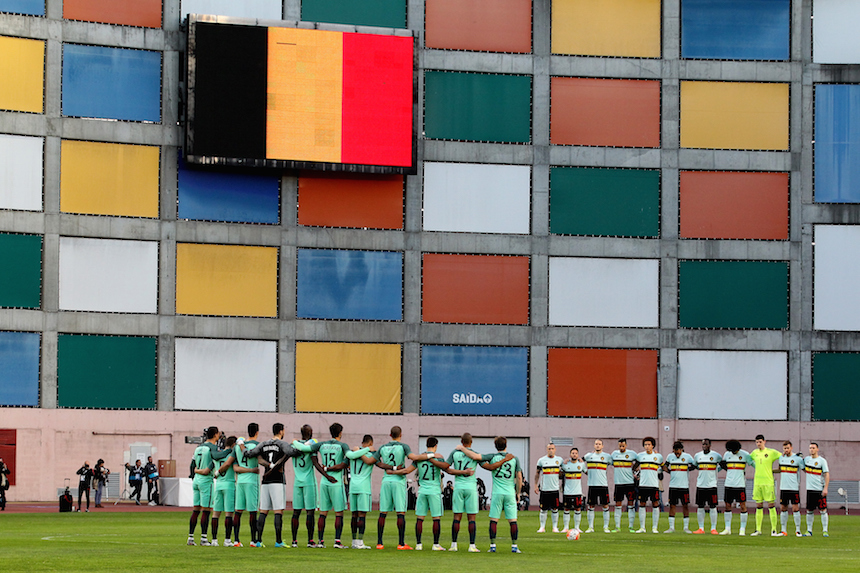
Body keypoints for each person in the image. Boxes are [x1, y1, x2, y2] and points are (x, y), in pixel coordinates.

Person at [388, 436, 471, 551]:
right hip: (434, 491)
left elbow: (407, 470)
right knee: (436, 518)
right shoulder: (439, 458)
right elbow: (449, 470)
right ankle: (435, 544)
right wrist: (464, 472)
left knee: (420, 518)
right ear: (436, 446)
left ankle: (418, 544)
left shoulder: (420, 458)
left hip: (422, 491)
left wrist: (393, 472)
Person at [375, 426, 438, 550]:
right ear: (401, 435)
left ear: (390, 435)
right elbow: (413, 457)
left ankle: (379, 543)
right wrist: (429, 455)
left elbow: (374, 461)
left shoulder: (383, 447)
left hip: (386, 480)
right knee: (400, 512)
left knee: (383, 513)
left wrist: (389, 468)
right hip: (398, 481)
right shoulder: (403, 446)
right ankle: (401, 543)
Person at [446, 432, 512, 552]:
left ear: (461, 441)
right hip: (471, 487)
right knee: (471, 518)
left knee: (457, 517)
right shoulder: (475, 454)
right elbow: (489, 467)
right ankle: (472, 546)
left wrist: (460, 472)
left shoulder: (454, 453)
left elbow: (447, 469)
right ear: (471, 442)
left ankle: (454, 545)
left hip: (458, 487)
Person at [243, 423, 303, 547]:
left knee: (263, 511)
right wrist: (300, 445)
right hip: (278, 480)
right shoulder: (281, 444)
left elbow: (249, 453)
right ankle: (278, 541)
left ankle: (258, 541)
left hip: (265, 481)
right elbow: (293, 452)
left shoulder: (263, 444)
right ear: (281, 431)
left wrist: (241, 446)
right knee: (278, 511)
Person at [291, 423, 350, 549]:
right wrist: (331, 469)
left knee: (323, 513)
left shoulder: (321, 445)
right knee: (339, 513)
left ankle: (320, 541)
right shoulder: (343, 445)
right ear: (340, 433)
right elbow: (345, 463)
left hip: (324, 482)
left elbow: (306, 450)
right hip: (336, 482)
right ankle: (337, 541)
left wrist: (294, 442)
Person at [485, 436, 523, 553]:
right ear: (506, 445)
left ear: (495, 446)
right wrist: (518, 492)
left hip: (497, 492)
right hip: (509, 492)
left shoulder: (492, 457)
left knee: (494, 520)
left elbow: (480, 459)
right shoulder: (514, 458)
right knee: (512, 520)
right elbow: (519, 477)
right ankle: (514, 547)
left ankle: (492, 546)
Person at [290, 425, 324, 547]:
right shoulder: (312, 445)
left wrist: (293, 441)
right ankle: (310, 540)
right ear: (311, 433)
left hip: (297, 481)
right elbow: (315, 462)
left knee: (296, 512)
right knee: (310, 512)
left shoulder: (294, 445)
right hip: (309, 482)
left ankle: (294, 540)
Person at [188, 426, 221, 546]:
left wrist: (193, 475)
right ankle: (203, 538)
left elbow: (192, 465)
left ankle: (190, 537)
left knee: (196, 509)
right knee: (206, 510)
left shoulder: (198, 447)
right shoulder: (212, 447)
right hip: (206, 481)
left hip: (196, 480)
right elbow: (214, 461)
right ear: (216, 434)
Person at [346, 435, 380, 549]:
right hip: (363, 487)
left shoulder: (353, 453)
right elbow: (372, 461)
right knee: (362, 515)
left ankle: (354, 541)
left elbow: (350, 455)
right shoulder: (370, 454)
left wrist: (359, 450)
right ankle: (360, 542)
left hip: (353, 486)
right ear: (371, 443)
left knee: (354, 515)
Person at [232, 423, 260, 547]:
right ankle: (253, 540)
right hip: (251, 481)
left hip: (240, 481)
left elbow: (234, 466)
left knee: (238, 511)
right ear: (257, 432)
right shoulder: (257, 445)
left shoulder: (238, 446)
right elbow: (260, 460)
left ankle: (236, 540)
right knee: (252, 511)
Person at [749, 434, 782, 536]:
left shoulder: (771, 452)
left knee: (771, 506)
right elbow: (748, 460)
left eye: (760, 442)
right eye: (757, 442)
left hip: (768, 482)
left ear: (764, 441)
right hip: (758, 482)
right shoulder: (754, 453)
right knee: (759, 506)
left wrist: (778, 469)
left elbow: (782, 456)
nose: (759, 444)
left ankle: (773, 530)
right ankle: (758, 529)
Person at [719, 439, 753, 536]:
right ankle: (727, 528)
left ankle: (742, 529)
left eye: (735, 450)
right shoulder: (727, 454)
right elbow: (722, 467)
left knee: (742, 506)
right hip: (728, 484)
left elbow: (753, 464)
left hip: (740, 485)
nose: (733, 452)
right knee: (727, 506)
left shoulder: (745, 455)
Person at [210, 436, 238, 546]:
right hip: (229, 484)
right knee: (229, 513)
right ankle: (227, 540)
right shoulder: (232, 455)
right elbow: (228, 464)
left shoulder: (218, 455)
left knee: (216, 513)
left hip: (218, 484)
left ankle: (214, 540)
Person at [663, 441, 696, 533]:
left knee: (685, 506)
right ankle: (671, 527)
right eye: (675, 452)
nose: (677, 454)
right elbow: (665, 466)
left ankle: (686, 527)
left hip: (684, 486)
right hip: (673, 486)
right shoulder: (670, 457)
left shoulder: (687, 457)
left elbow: (694, 465)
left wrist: (687, 469)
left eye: (678, 452)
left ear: (682, 450)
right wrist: (669, 471)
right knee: (672, 505)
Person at [583, 439, 613, 533]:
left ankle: (606, 527)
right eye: (596, 444)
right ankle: (590, 527)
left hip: (603, 484)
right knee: (591, 506)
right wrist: (585, 471)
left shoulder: (607, 456)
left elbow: (615, 464)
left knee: (605, 505)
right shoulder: (588, 456)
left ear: (602, 446)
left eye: (599, 444)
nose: (598, 445)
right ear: (594, 445)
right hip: (592, 485)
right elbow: (579, 462)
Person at [692, 439, 722, 534]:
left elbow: (722, 465)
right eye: (703, 444)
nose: (704, 446)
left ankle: (713, 528)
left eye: (706, 444)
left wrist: (716, 471)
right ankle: (701, 528)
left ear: (710, 445)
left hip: (712, 485)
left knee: (713, 507)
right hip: (700, 485)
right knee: (700, 507)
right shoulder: (697, 456)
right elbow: (695, 466)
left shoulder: (716, 456)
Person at [635, 437, 663, 534]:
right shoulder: (640, 456)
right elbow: (634, 467)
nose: (647, 446)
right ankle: (642, 527)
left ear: (653, 445)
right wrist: (635, 474)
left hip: (654, 485)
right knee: (642, 504)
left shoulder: (658, 457)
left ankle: (654, 527)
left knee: (655, 504)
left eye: (649, 444)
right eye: (645, 445)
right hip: (643, 484)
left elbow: (663, 467)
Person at [777, 440, 805, 536]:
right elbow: (779, 469)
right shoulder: (781, 458)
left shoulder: (797, 459)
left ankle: (798, 530)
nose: (786, 450)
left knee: (795, 508)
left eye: (788, 448)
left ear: (791, 448)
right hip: (783, 487)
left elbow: (804, 468)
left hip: (793, 487)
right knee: (783, 508)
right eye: (785, 448)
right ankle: (783, 530)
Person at [535, 442, 563, 533]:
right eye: (549, 449)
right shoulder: (541, 460)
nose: (551, 450)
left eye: (552, 449)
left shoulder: (560, 460)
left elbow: (563, 471)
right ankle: (542, 527)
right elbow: (537, 473)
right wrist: (536, 485)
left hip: (555, 489)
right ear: (547, 450)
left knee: (555, 509)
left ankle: (555, 527)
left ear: (555, 450)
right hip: (544, 489)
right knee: (543, 509)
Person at [610, 438, 637, 532]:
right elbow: (609, 462)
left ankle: (631, 526)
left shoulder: (632, 454)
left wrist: (634, 470)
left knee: (630, 504)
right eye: (620, 446)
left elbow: (639, 460)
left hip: (629, 483)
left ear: (626, 445)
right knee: (618, 504)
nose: (621, 447)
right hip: (618, 483)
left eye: (623, 446)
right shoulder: (614, 454)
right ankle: (617, 527)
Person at [803, 442, 830, 537]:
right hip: (810, 489)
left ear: (817, 449)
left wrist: (825, 488)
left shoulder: (822, 461)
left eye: (813, 448)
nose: (811, 450)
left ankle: (825, 530)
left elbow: (826, 474)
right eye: (810, 448)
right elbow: (803, 468)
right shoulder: (806, 460)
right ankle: (809, 530)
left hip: (819, 489)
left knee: (823, 510)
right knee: (809, 511)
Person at [560, 447, 587, 533]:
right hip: (567, 491)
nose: (574, 454)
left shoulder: (581, 465)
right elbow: (559, 475)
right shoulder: (565, 464)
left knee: (577, 509)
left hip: (577, 491)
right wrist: (561, 466)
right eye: (573, 453)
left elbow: (588, 473)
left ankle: (577, 527)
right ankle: (566, 527)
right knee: (566, 509)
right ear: (570, 455)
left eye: (576, 453)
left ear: (578, 455)